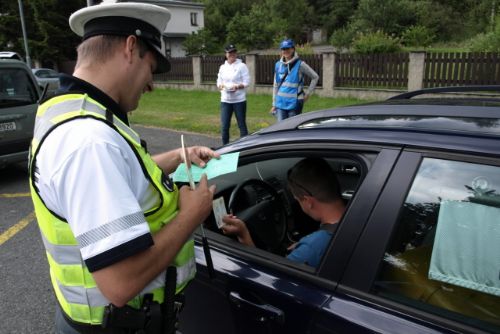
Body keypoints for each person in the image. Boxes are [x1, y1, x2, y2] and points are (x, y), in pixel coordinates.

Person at [28, 2, 219, 333]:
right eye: (151, 67)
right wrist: (192, 213)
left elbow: (117, 175)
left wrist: (177, 156)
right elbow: (120, 283)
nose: (151, 84)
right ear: (131, 47)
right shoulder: (90, 141)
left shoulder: (73, 115)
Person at [222, 157, 345, 268]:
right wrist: (303, 245)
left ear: (308, 201)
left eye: (298, 200)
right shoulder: (358, 214)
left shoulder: (312, 248)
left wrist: (244, 236)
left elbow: (271, 277)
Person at [270, 39, 319, 122]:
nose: (285, 51)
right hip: (280, 103)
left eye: (288, 48)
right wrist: (274, 104)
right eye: (283, 49)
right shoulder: (278, 65)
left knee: (292, 130)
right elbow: (275, 85)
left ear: (293, 49)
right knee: (280, 130)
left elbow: (315, 77)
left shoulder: (300, 64)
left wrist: (307, 94)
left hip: (295, 104)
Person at [216, 44, 250, 145]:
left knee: (241, 125)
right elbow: (219, 81)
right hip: (225, 101)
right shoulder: (222, 67)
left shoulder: (242, 66)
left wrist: (238, 86)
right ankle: (225, 147)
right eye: (230, 52)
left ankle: (245, 146)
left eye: (234, 52)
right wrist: (220, 86)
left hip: (239, 100)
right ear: (226, 54)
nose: (232, 54)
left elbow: (247, 82)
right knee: (225, 126)